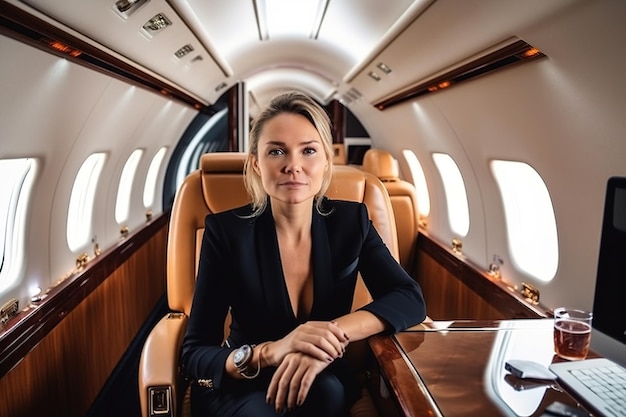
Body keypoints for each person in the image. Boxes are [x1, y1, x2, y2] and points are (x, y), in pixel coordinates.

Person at [181, 91, 427, 417]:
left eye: (308, 151)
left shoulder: (350, 221)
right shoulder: (226, 232)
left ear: (326, 159)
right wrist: (271, 352)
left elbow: (409, 297)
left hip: (321, 373)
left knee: (322, 393)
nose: (293, 166)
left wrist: (322, 339)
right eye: (277, 151)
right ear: (256, 162)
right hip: (246, 380)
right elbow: (194, 354)